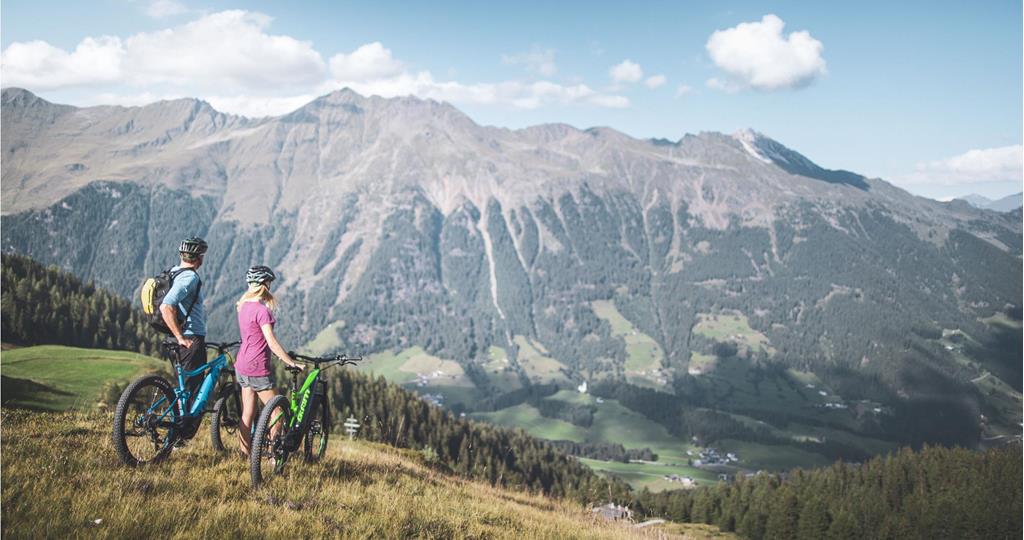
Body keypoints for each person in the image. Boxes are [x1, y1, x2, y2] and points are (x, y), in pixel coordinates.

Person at [235, 265, 301, 457]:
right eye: (269, 283)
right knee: (277, 411)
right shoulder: (262, 312)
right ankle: (275, 455)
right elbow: (271, 342)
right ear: (264, 285)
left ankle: (243, 453)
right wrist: (290, 362)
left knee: (248, 413)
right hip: (258, 368)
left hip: (242, 365)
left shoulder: (243, 306)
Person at [160, 236, 208, 396]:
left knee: (184, 389)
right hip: (189, 339)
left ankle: (180, 418)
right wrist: (180, 337)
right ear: (199, 258)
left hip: (172, 337)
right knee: (193, 392)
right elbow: (166, 306)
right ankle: (185, 422)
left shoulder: (173, 272)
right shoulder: (190, 277)